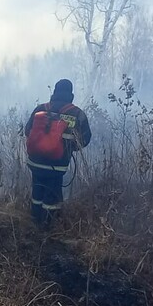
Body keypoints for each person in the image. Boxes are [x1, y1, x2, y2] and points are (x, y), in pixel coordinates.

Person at [24, 79, 91, 230]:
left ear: (54, 92)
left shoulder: (41, 108)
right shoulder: (76, 113)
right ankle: (48, 229)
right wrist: (68, 146)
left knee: (37, 193)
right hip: (57, 165)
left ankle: (34, 223)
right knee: (52, 197)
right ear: (71, 94)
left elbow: (27, 131)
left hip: (34, 162)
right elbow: (85, 139)